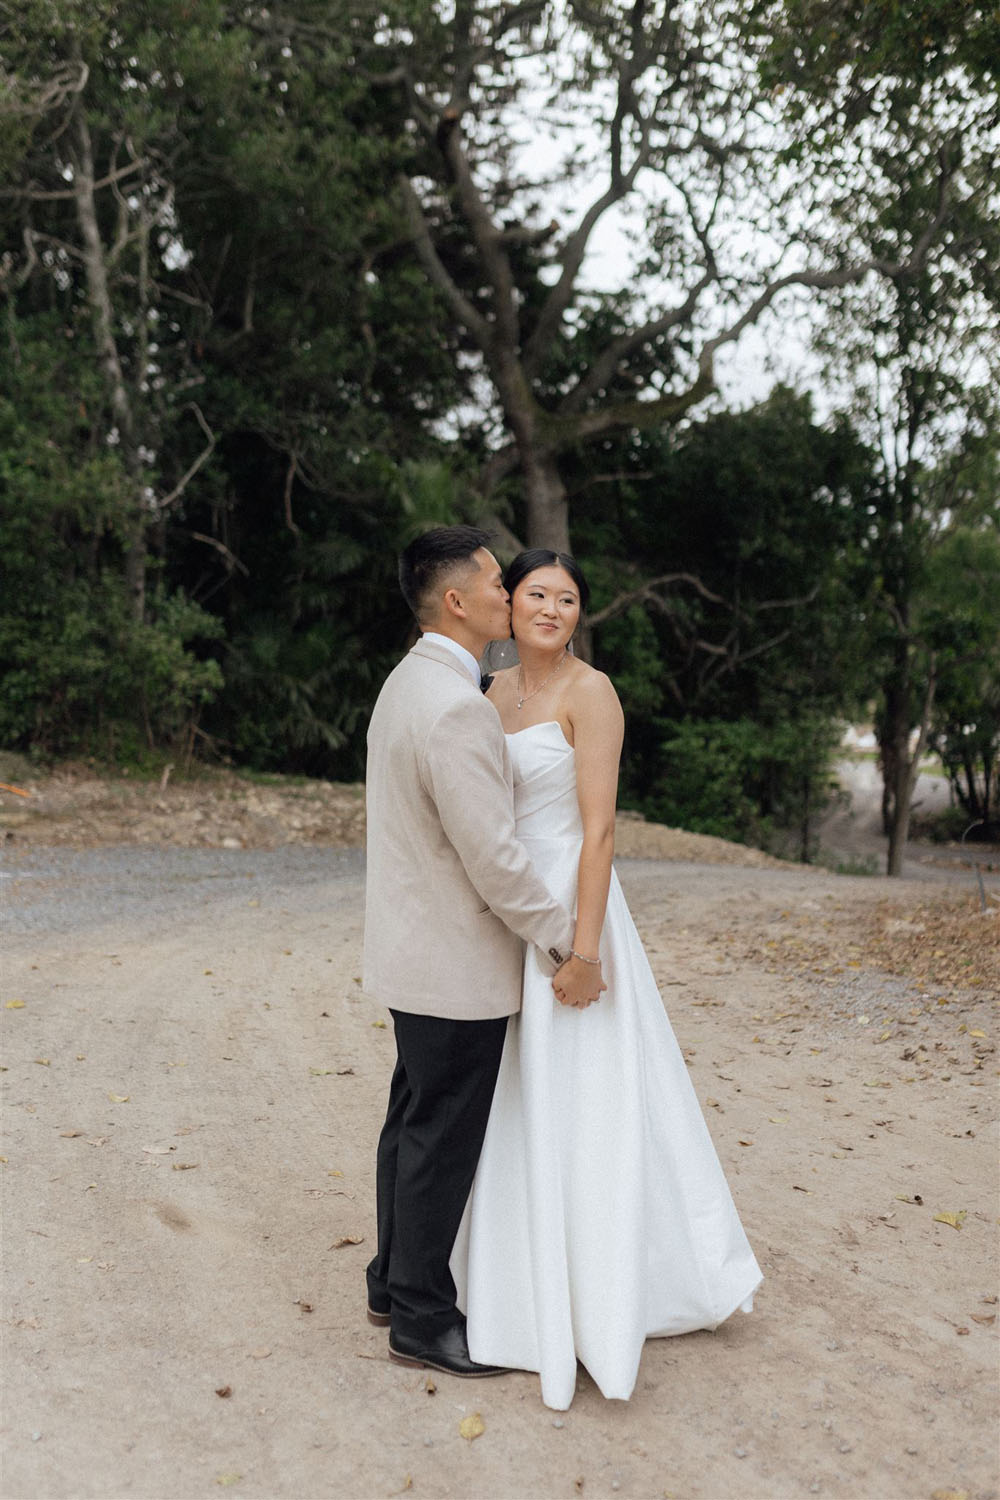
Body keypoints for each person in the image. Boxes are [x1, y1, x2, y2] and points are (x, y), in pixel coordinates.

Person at [450, 549, 763, 1409]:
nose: (551, 608)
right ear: (506, 605)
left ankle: (614, 1287)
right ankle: (518, 1280)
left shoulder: (592, 692)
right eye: (536, 594)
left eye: (568, 598)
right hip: (510, 913)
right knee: (514, 1096)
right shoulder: (489, 694)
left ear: (578, 614)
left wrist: (584, 953)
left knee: (586, 1095)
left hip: (575, 909)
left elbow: (599, 834)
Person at [362, 526, 605, 1380]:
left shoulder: (408, 681)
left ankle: (390, 1280)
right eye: (500, 584)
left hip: (409, 954)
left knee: (409, 1118)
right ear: (458, 602)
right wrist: (562, 943)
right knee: (438, 1136)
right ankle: (423, 1318)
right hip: (454, 961)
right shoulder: (459, 705)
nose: (515, 594)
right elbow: (493, 856)